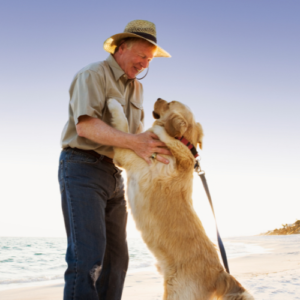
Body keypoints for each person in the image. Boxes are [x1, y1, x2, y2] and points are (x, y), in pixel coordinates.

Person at [58, 20, 171, 300]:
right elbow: (86, 127)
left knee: (117, 263)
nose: (145, 63)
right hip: (81, 168)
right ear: (122, 48)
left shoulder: (137, 89)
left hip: (115, 176)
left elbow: (134, 137)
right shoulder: (92, 74)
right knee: (87, 260)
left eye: (149, 59)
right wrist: (136, 142)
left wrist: (171, 147)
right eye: (141, 55)